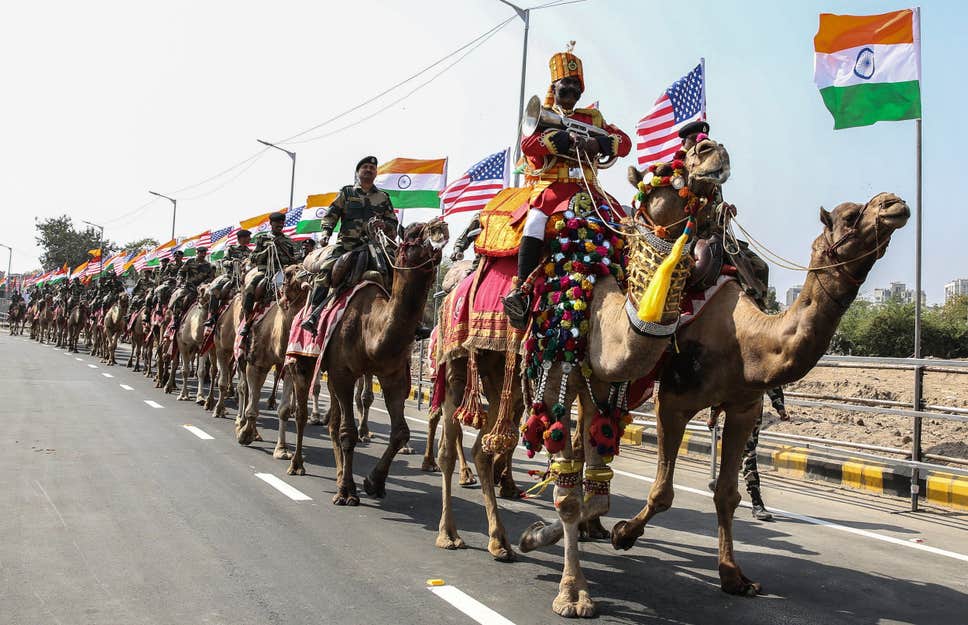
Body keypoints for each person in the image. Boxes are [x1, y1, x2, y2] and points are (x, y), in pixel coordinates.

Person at [502, 43, 631, 328]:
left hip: (589, 190)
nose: (571, 88)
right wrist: (553, 141)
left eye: (576, 83)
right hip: (553, 190)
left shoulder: (593, 118)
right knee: (535, 221)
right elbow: (527, 145)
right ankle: (522, 291)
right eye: (565, 83)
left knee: (624, 221)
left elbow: (625, 143)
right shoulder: (545, 115)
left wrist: (599, 142)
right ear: (555, 85)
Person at [300, 155, 398, 334]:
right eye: (365, 167)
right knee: (325, 270)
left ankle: (404, 319)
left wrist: (385, 225)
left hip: (374, 246)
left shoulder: (382, 197)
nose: (369, 170)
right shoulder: (347, 193)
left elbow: (393, 223)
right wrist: (325, 233)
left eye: (372, 168)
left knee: (397, 270)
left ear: (376, 173)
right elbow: (331, 214)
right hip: (347, 245)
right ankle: (313, 314)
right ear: (358, 172)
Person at [239, 212, 298, 337]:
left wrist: (292, 258)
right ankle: (247, 320)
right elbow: (253, 258)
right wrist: (266, 251)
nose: (280, 225)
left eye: (282, 223)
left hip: (284, 271)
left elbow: (297, 258)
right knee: (249, 288)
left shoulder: (289, 241)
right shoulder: (262, 238)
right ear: (271, 223)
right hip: (266, 271)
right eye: (277, 223)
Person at [205, 229, 252, 327]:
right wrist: (232, 263)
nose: (249, 239)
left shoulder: (250, 252)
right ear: (240, 238)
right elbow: (224, 262)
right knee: (214, 290)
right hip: (231, 277)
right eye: (247, 237)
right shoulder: (231, 249)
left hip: (246, 277)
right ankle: (212, 317)